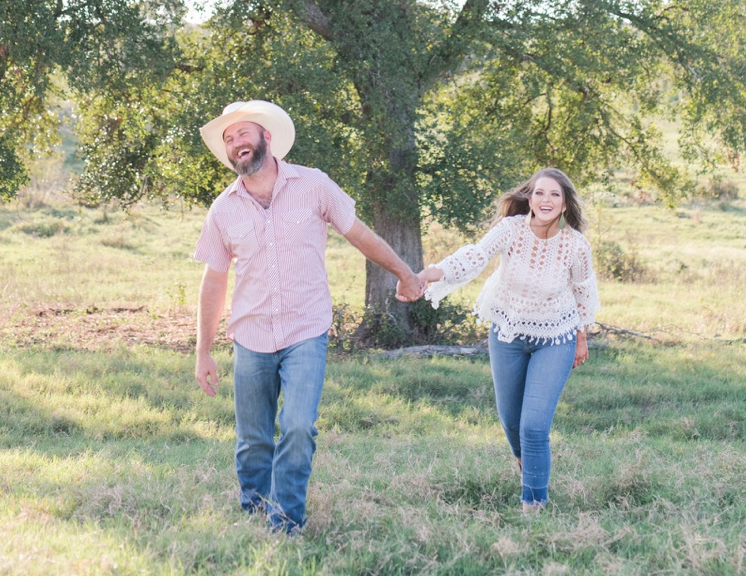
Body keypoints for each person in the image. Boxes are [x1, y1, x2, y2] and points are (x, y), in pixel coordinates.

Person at [193, 99, 423, 534]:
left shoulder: (313, 185)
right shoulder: (223, 208)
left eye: (244, 133)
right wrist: (203, 351)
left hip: (305, 329)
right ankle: (254, 515)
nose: (237, 142)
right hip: (251, 336)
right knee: (253, 442)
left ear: (266, 138)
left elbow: (360, 234)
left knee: (298, 428)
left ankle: (286, 523)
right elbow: (214, 280)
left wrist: (405, 273)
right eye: (228, 138)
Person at [417, 167, 599, 514]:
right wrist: (433, 272)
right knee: (511, 421)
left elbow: (582, 292)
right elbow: (475, 256)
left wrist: (581, 337)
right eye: (540, 193)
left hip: (555, 337)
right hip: (508, 332)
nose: (546, 200)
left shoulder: (575, 245)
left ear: (564, 206)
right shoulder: (512, 230)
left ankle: (533, 503)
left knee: (533, 425)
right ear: (529, 198)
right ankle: (526, 462)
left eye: (554, 195)